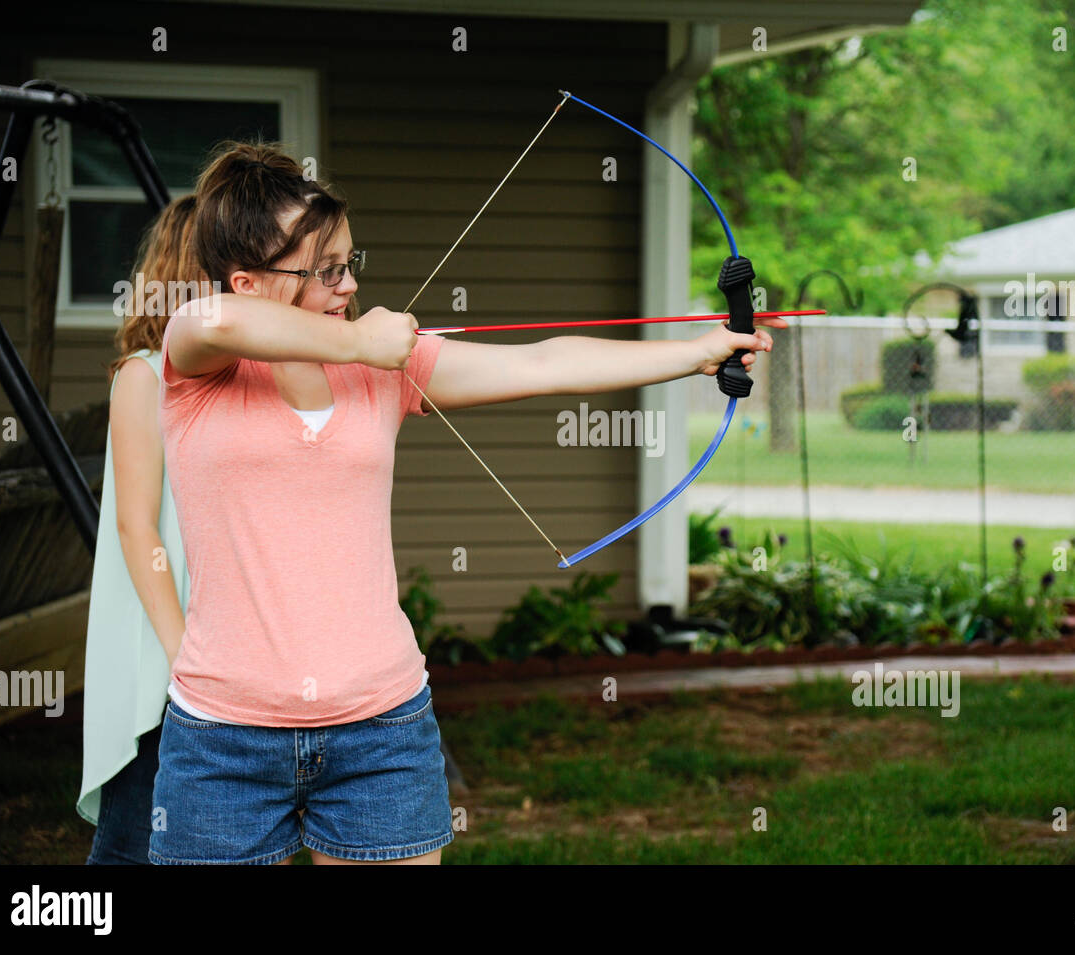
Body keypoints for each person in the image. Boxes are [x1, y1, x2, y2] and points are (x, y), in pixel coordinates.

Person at [149, 141, 782, 866]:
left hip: (380, 728)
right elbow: (219, 324)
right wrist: (358, 341)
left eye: (350, 263)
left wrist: (695, 353)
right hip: (223, 737)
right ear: (247, 281)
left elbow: (545, 363)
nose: (348, 284)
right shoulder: (196, 370)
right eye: (325, 271)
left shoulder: (384, 370)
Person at [78, 195, 205, 863]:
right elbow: (137, 527)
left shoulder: (227, 383)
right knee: (130, 839)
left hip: (210, 651)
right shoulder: (145, 377)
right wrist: (182, 654)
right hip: (160, 651)